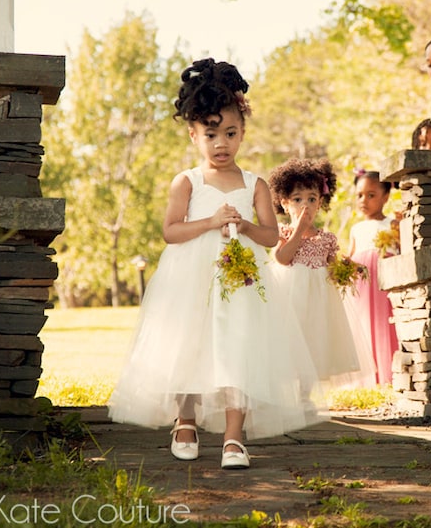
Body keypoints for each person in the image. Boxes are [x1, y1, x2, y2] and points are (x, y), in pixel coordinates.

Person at [108, 58, 321, 470]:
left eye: (230, 133)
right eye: (211, 134)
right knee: (191, 344)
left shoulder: (254, 183)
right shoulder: (187, 181)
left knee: (239, 347)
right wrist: (209, 222)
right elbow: (171, 231)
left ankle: (233, 436)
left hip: (240, 278)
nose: (221, 143)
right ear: (193, 135)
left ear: (242, 133)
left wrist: (242, 224)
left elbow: (270, 235)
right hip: (192, 277)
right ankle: (185, 420)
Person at [268, 158, 377, 393]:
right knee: (290, 341)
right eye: (297, 199)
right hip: (290, 297)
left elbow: (333, 267)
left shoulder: (326, 238)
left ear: (320, 203)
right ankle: (284, 395)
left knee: (314, 341)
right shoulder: (283, 231)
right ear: (285, 204)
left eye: (311, 199)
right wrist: (298, 228)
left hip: (318, 298)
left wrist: (349, 269)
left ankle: (306, 394)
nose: (304, 205)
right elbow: (282, 258)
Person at [345, 169, 400, 386]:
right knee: (361, 325)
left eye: (371, 195)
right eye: (359, 195)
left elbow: (402, 250)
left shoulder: (392, 224)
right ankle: (364, 377)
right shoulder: (356, 228)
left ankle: (387, 374)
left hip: (382, 283)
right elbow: (350, 256)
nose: (363, 200)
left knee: (383, 324)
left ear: (385, 196)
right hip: (360, 286)